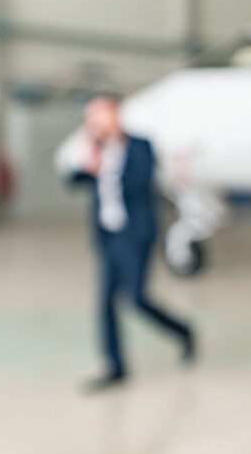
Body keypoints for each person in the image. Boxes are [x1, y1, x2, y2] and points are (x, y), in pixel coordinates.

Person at [56, 93, 195, 392]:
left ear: (115, 115)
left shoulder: (140, 146)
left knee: (135, 298)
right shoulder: (94, 151)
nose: (94, 121)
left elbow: (141, 180)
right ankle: (115, 367)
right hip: (107, 236)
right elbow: (73, 180)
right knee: (105, 304)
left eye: (100, 114)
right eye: (90, 116)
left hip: (135, 234)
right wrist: (88, 163)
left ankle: (182, 331)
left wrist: (108, 160)